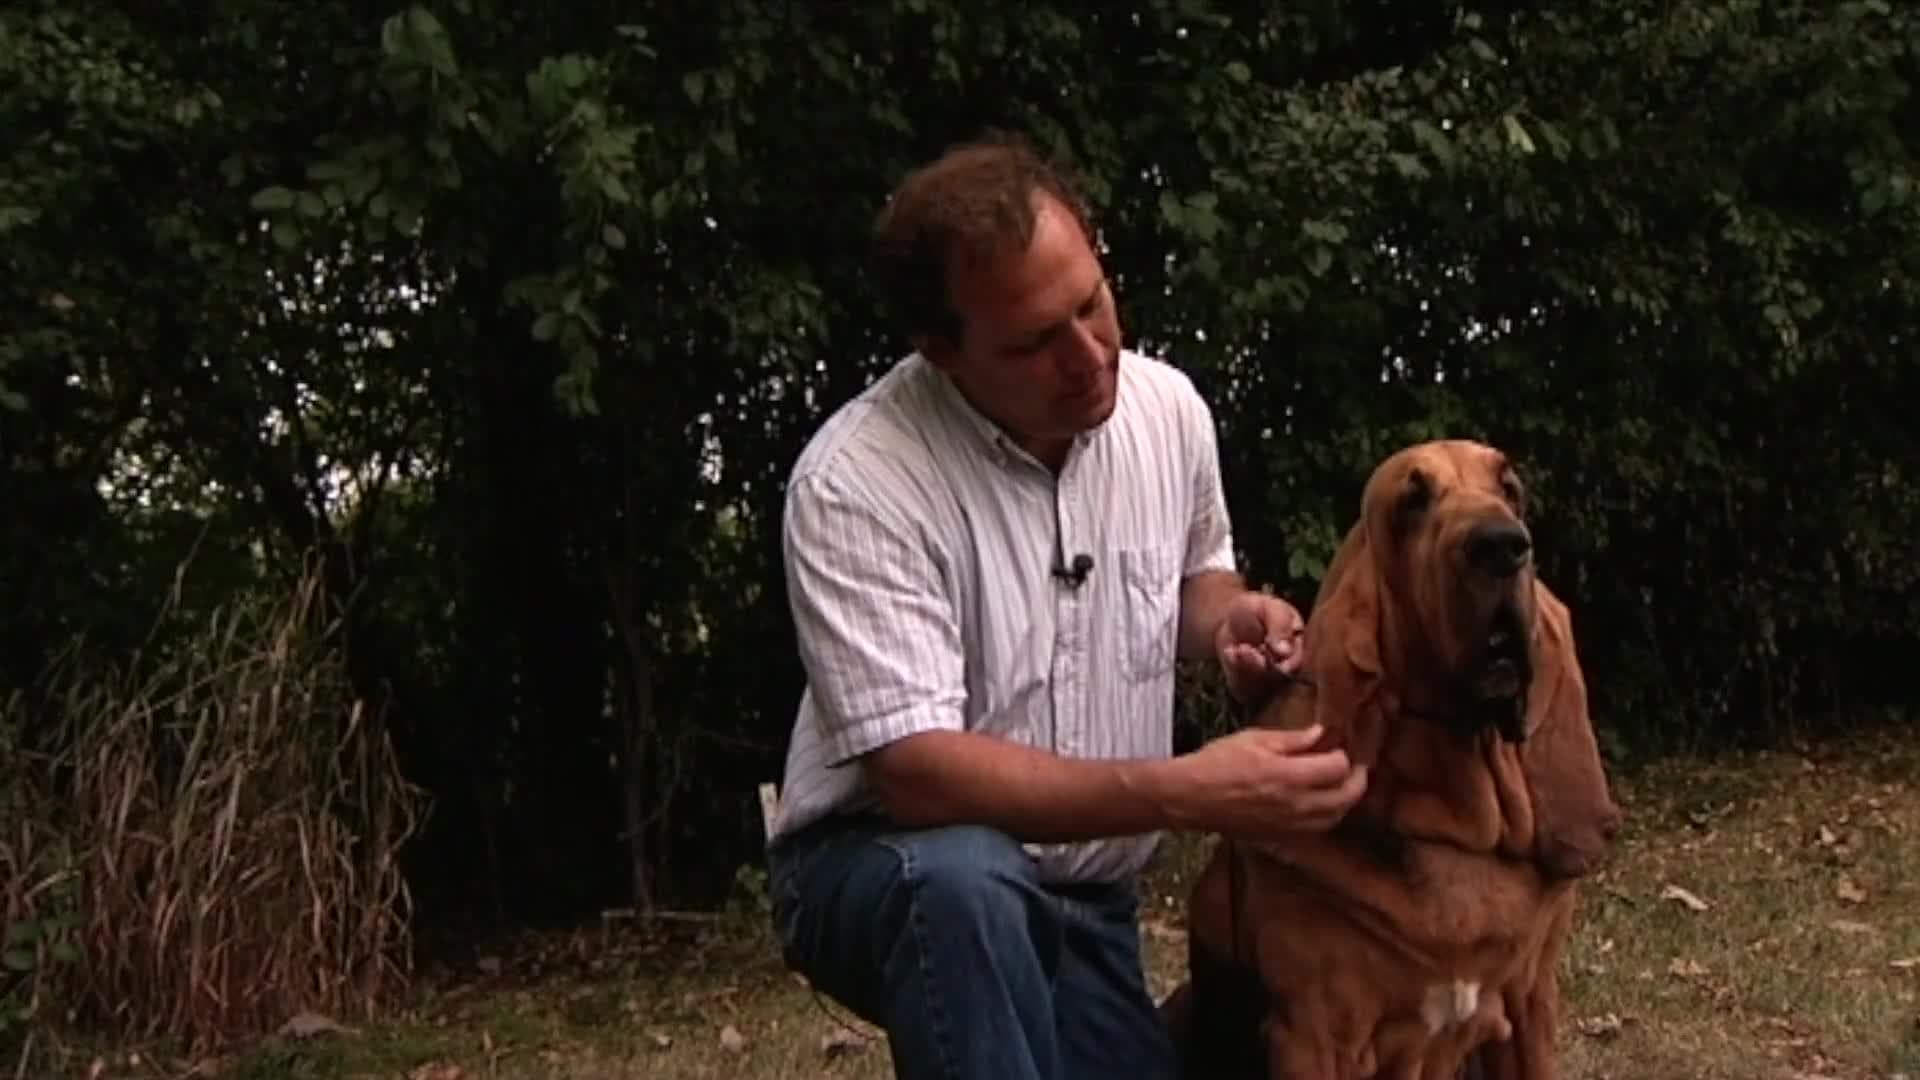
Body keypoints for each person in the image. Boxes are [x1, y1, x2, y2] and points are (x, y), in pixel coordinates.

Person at [762, 131, 1370, 1080]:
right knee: (964, 884)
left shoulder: (1167, 411)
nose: (1089, 354)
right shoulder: (859, 483)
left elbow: (1192, 584)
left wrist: (1231, 621)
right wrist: (1185, 789)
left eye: (1091, 303)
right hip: (881, 865)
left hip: (1085, 900)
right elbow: (919, 779)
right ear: (942, 353)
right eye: (1035, 341)